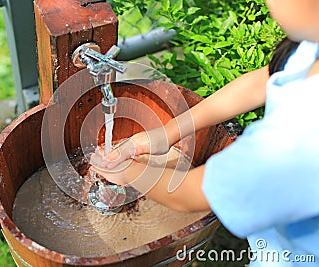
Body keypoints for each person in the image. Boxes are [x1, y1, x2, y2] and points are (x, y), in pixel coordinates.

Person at [90, 0, 319, 266]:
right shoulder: (310, 50)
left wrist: (127, 171)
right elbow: (263, 81)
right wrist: (167, 133)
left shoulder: (300, 136)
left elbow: (190, 194)